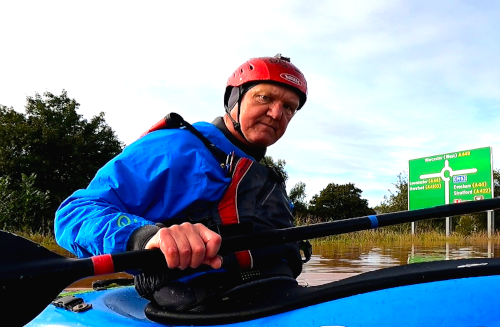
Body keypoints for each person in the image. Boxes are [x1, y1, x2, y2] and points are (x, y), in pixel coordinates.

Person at [55, 54, 309, 311]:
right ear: (235, 99)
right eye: (264, 98)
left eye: (289, 107)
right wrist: (144, 236)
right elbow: (74, 214)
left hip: (274, 296)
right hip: (198, 308)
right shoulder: (175, 147)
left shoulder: (260, 176)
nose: (277, 113)